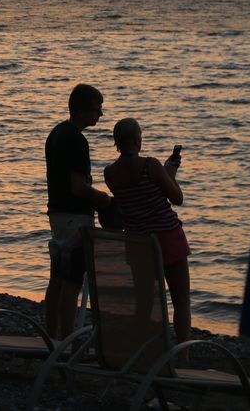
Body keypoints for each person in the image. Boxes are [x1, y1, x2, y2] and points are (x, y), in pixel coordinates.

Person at [103, 117, 190, 349]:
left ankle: (144, 350)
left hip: (138, 243)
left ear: (117, 143)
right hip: (167, 238)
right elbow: (177, 198)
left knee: (144, 302)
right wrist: (169, 174)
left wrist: (163, 173)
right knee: (181, 302)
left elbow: (136, 196)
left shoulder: (109, 173)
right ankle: (183, 355)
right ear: (135, 140)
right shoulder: (151, 166)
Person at [43, 83, 114, 339]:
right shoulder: (77, 141)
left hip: (58, 214)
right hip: (75, 218)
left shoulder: (56, 133)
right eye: (97, 109)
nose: (100, 115)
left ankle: (51, 337)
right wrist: (103, 199)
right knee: (72, 282)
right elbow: (79, 187)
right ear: (82, 110)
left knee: (57, 279)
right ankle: (64, 340)